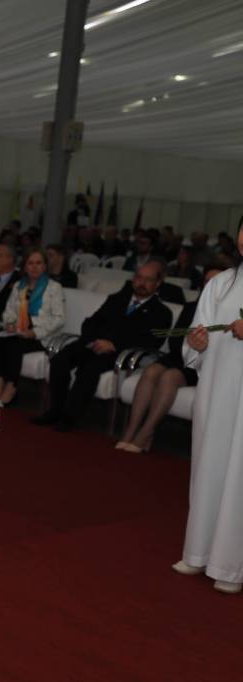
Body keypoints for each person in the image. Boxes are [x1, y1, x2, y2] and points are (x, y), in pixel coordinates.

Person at [175, 218, 243, 594]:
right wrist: (196, 343)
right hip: (216, 391)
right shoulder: (221, 283)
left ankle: (231, 566)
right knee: (209, 468)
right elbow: (196, 335)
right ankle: (198, 551)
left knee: (238, 477)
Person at [33, 260, 172, 432]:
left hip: (120, 353)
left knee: (89, 369)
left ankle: (69, 418)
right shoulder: (117, 299)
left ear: (157, 283)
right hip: (93, 343)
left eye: (148, 279)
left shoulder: (161, 312)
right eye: (138, 277)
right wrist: (95, 339)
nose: (141, 283)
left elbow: (151, 341)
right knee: (60, 359)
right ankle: (54, 411)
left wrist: (114, 345)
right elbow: (91, 323)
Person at [117, 267, 222, 453]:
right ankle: (131, 429)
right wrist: (189, 344)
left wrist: (199, 346)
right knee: (151, 371)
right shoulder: (191, 307)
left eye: (216, 281)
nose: (210, 285)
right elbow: (175, 340)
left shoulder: (227, 314)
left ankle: (147, 432)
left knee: (170, 376)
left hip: (204, 364)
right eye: (207, 280)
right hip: (180, 355)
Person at [0, 248, 65, 407]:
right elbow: (9, 312)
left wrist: (34, 332)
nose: (34, 267)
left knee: (15, 346)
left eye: (39, 263)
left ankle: (11, 388)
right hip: (18, 331)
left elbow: (59, 319)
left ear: (45, 266)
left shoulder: (54, 287)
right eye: (30, 263)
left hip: (41, 335)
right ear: (25, 266)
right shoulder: (18, 286)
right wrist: (9, 324)